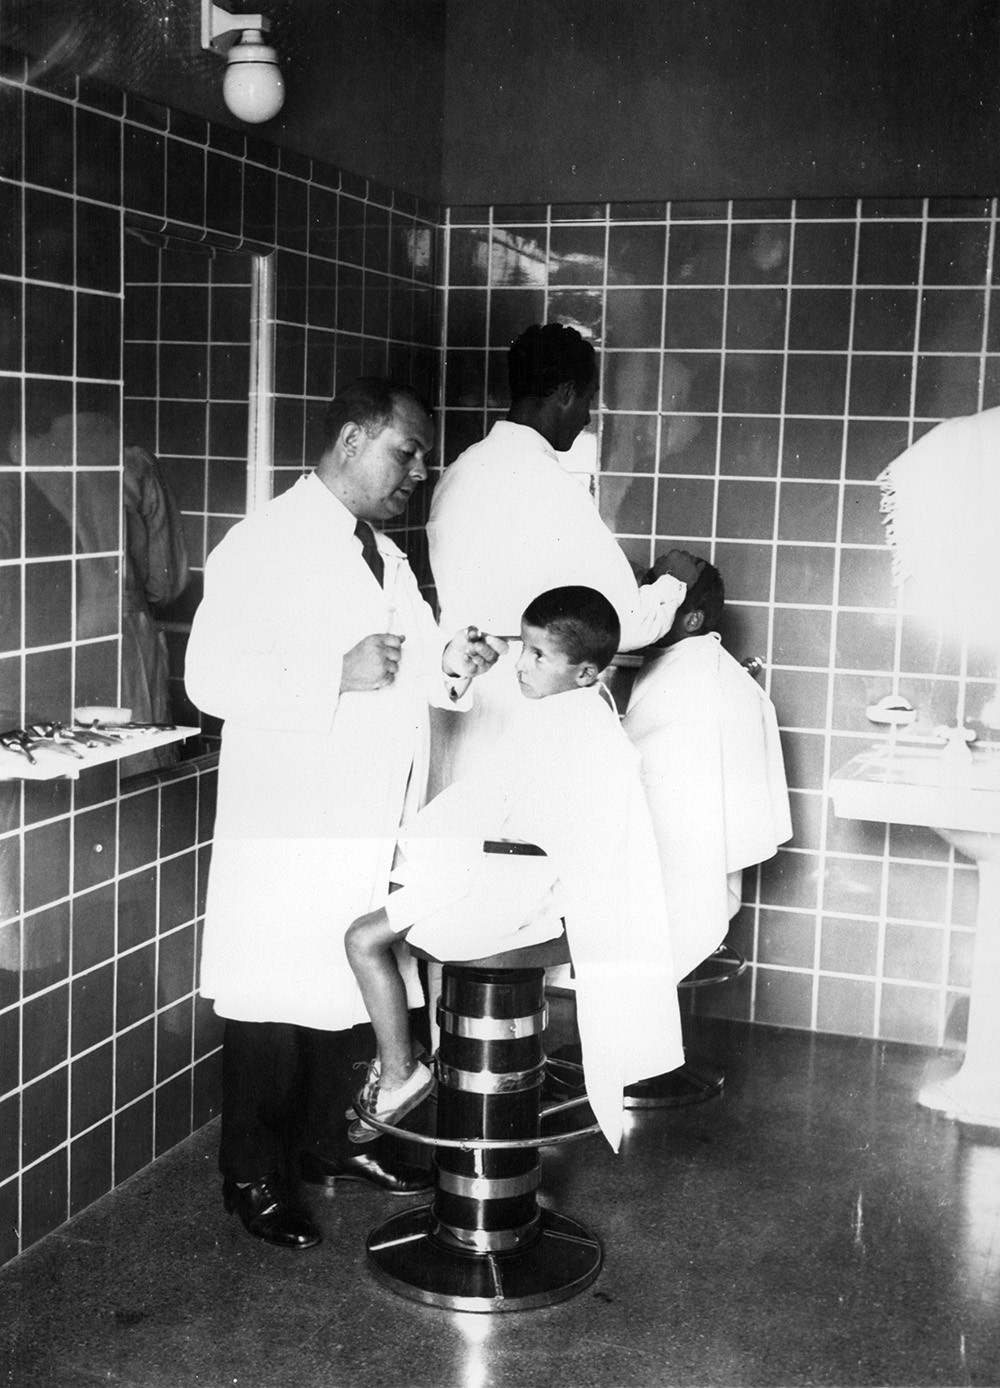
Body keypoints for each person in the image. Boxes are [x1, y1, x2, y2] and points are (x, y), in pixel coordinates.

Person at [184, 378, 501, 1250]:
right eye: (408, 452)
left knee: (343, 983)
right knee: (272, 996)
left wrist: (455, 662)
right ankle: (251, 1175)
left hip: (364, 811)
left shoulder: (383, 554)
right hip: (290, 817)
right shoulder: (265, 543)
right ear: (353, 440)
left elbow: (414, 666)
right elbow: (208, 679)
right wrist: (335, 672)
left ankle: (331, 1146)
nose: (420, 472)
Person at [344, 587, 683, 1152]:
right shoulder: (580, 713)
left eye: (539, 655)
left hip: (518, 895)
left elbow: (511, 831)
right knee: (393, 906)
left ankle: (402, 1073)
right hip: (527, 888)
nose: (522, 665)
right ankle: (411, 1066)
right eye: (524, 648)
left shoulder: (562, 726)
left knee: (361, 939)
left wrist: (428, 851)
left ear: (584, 672)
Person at [426, 322, 701, 790]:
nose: (588, 417)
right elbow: (627, 625)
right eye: (588, 398)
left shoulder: (458, 472)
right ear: (566, 393)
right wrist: (672, 584)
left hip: (459, 708)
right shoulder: (552, 487)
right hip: (527, 707)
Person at [623, 552, 792, 984]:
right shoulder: (692, 660)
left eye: (662, 605)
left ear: (693, 620)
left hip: (678, 858)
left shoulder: (694, 675)